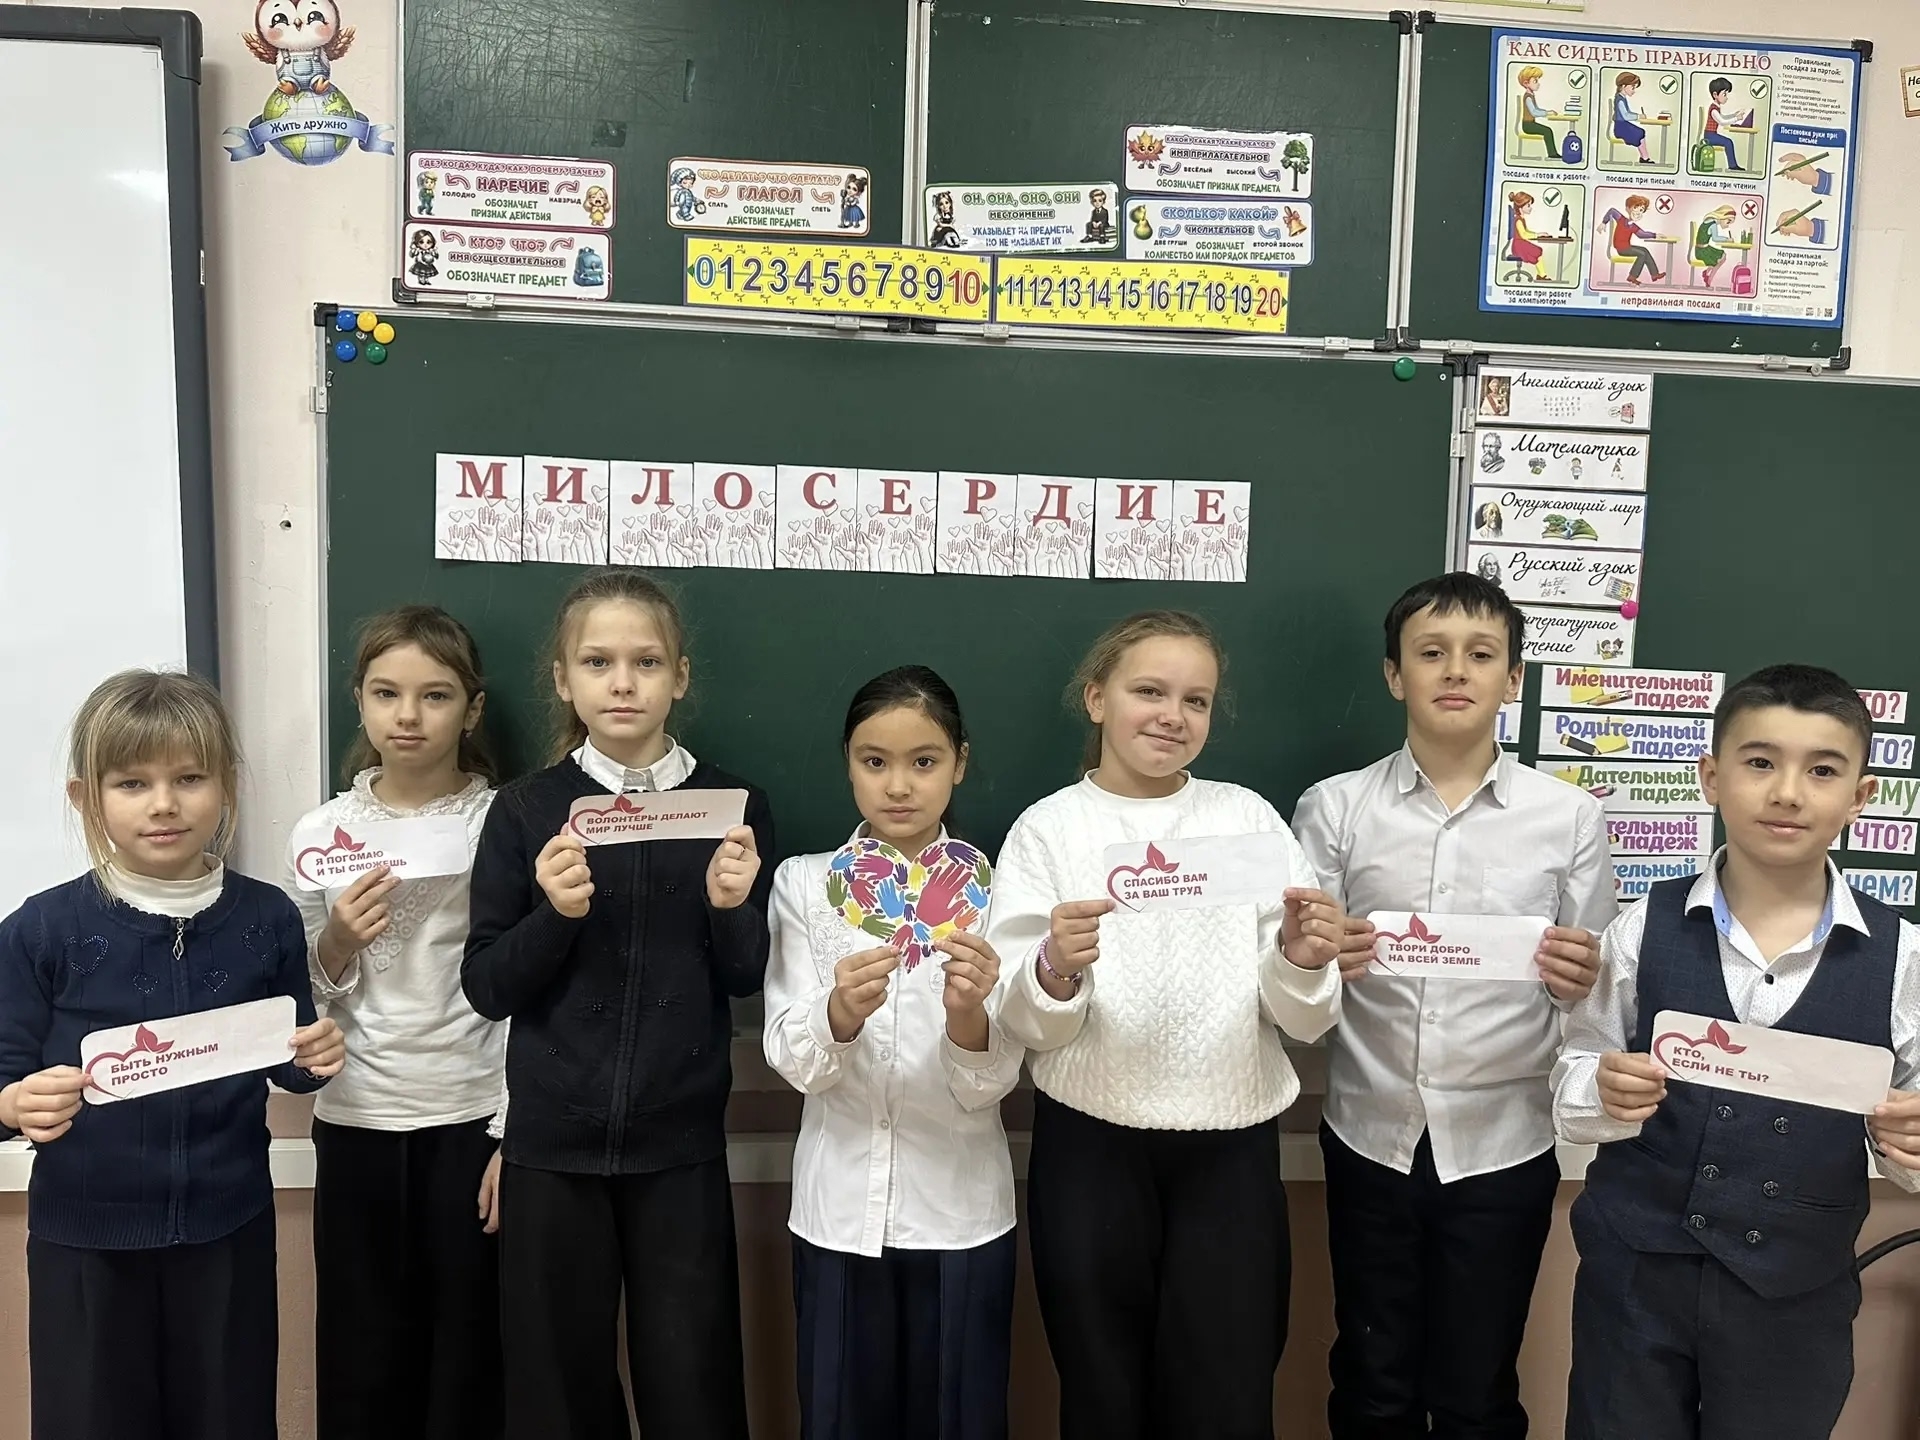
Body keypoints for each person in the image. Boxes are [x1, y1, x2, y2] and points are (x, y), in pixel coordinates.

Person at [987, 610, 1346, 1440]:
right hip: (1090, 1148)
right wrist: (1053, 968)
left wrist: (1299, 957)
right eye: (1149, 691)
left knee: (1226, 1396)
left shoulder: (1248, 820)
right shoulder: (1048, 830)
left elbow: (1305, 1017)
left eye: (1196, 700)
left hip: (1231, 1146)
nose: (1172, 716)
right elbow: (1024, 1021)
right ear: (1097, 699)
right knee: (1103, 1394)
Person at [1553, 665, 1920, 1440]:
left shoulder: (1904, 958)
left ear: (1861, 796)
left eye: (1822, 770)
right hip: (1634, 1283)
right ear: (1711, 777)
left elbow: (1913, 1128)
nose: (1787, 792)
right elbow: (1575, 1072)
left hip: (1795, 1300)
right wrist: (1601, 1091)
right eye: (1759, 762)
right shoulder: (1640, 928)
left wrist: (1910, 1143)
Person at [1294, 573, 1614, 1440]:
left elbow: (1595, 994)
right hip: (1370, 1133)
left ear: (1514, 678)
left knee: (1478, 1389)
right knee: (1373, 1382)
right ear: (1394, 675)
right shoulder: (1335, 808)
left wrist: (1579, 976)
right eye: (1431, 653)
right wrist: (1321, 959)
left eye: (1481, 654)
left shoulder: (1569, 818)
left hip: (1505, 1143)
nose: (1455, 671)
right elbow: (1296, 980)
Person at [461, 568, 773, 1440]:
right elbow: (487, 985)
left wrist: (730, 909)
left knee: (693, 1382)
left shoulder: (731, 806)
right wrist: (554, 918)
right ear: (564, 680)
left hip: (679, 1148)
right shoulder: (526, 810)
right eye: (598, 662)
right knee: (557, 1392)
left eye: (647, 662)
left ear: (681, 676)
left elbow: (746, 976)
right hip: (552, 1151)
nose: (623, 682)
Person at [0, 669, 345, 1440]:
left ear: (227, 787)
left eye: (189, 778)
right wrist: (15, 1103)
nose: (163, 803)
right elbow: (3, 1077)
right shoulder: (40, 930)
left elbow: (285, 1058)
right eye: (132, 783)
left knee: (228, 1417)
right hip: (85, 1242)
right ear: (86, 798)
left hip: (229, 1231)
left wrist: (315, 1055)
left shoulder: (266, 918)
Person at [765, 666, 1021, 1440]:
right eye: (874, 761)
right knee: (840, 1418)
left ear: (960, 764)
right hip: (838, 1209)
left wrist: (967, 1016)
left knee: (959, 1419)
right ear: (848, 763)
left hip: (961, 1212)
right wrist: (839, 1014)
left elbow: (989, 1085)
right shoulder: (805, 885)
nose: (899, 785)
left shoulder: (998, 890)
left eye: (924, 761)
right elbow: (793, 1060)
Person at [288, 606, 506, 1440]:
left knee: (469, 1357)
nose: (408, 716)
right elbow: (306, 999)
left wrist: (514, 1128)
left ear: (472, 709)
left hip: (471, 1115)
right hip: (358, 1119)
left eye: (435, 695)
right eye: (386, 693)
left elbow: (531, 984)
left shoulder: (503, 823)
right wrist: (338, 940)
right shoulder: (321, 833)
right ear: (360, 701)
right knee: (363, 1355)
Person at [1601, 195, 1666, 284]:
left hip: (1626, 247)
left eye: (1641, 210)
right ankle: (1632, 276)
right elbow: (1612, 211)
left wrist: (1655, 235)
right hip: (1621, 249)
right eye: (1635, 208)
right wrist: (1604, 222)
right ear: (1628, 208)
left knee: (1645, 250)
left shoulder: (1633, 226)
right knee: (1642, 254)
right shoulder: (1621, 219)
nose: (1638, 212)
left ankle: (1654, 274)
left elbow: (1641, 234)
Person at [1516, 66, 1560, 161]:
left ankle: (1553, 153)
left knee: (1547, 130)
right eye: (1535, 81)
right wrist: (1547, 113)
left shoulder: (1531, 95)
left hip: (1530, 124)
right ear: (1526, 83)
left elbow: (1536, 109)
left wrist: (1547, 112)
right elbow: (1534, 112)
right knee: (1547, 131)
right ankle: (1552, 154)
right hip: (1528, 125)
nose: (1538, 84)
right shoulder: (1528, 97)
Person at [1611, 71, 1654, 164]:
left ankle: (1644, 157)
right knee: (1639, 133)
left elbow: (1627, 113)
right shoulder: (1620, 100)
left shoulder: (1622, 98)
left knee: (1641, 132)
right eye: (1632, 87)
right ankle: (1645, 158)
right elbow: (1626, 115)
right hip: (1621, 127)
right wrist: (1638, 116)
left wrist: (1638, 116)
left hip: (1623, 125)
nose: (1634, 91)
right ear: (1623, 86)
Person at [1702, 77, 1742, 171]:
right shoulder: (1714, 110)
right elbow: (1722, 122)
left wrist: (1733, 114)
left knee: (1728, 142)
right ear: (1715, 95)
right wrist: (1736, 119)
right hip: (1709, 136)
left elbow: (1723, 117)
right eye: (1724, 94)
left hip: (1711, 135)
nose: (1726, 97)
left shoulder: (1716, 107)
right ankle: (1732, 166)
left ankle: (1733, 165)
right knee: (1728, 142)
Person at [1507, 191, 1547, 282]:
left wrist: (1539, 234)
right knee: (1538, 251)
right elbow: (1524, 235)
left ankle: (1542, 275)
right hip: (1519, 246)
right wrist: (1537, 235)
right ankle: (1542, 276)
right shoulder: (1518, 220)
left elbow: (1527, 231)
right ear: (1520, 207)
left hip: (1521, 244)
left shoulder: (1521, 219)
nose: (1530, 208)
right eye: (1528, 205)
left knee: (1538, 251)